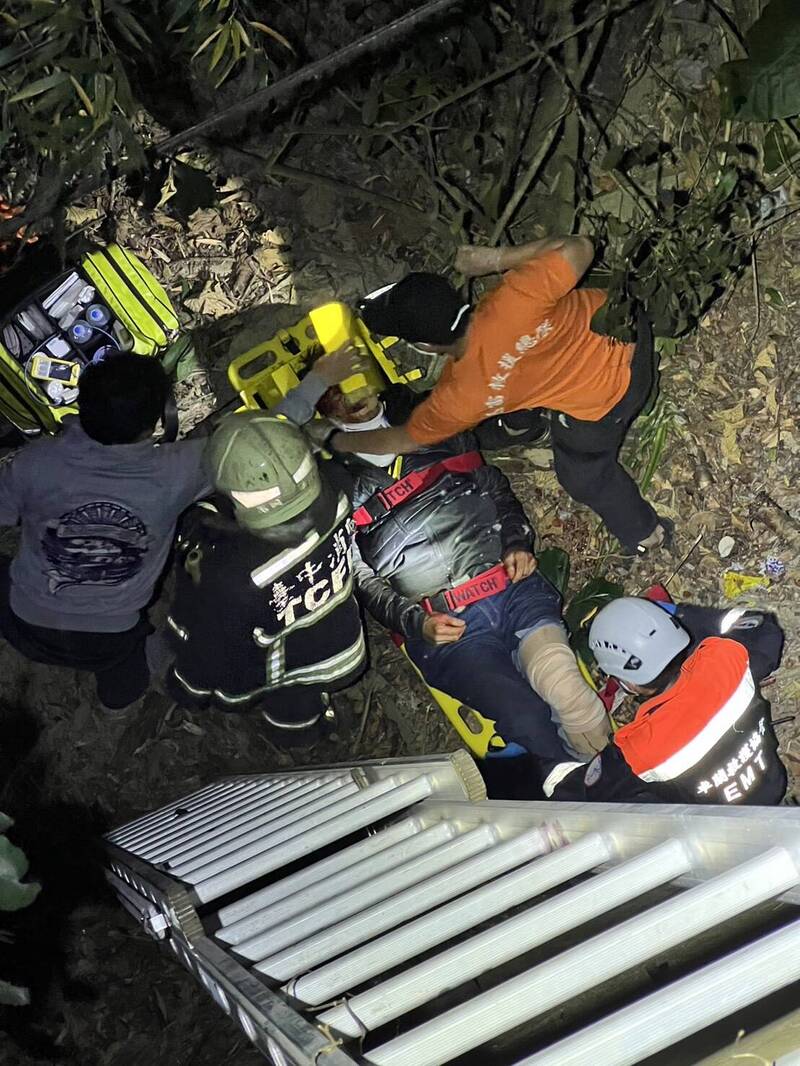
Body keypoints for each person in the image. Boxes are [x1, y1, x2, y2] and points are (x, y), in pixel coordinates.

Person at [316, 381, 610, 761]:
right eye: (338, 389)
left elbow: (491, 483)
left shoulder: (429, 418)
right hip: (444, 626)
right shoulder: (329, 485)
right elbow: (361, 580)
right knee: (526, 719)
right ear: (326, 407)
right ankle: (584, 793)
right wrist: (416, 624)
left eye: (356, 374)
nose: (355, 391)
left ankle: (617, 774)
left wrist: (517, 542)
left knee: (567, 690)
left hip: (509, 585)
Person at [327, 237, 670, 556]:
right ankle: (529, 423)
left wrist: (334, 440)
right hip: (627, 324)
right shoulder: (515, 295)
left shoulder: (460, 396)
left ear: (426, 347)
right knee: (523, 394)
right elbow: (582, 246)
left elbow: (400, 440)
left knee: (582, 475)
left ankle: (645, 532)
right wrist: (496, 259)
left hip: (610, 399)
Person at [0, 353, 213, 713]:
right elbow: (258, 440)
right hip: (109, 640)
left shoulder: (35, 461)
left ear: (82, 408)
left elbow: (4, 514)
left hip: (22, 625)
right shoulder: (181, 469)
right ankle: (118, 702)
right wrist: (315, 382)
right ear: (155, 422)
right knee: (124, 679)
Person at [165, 411, 366, 747]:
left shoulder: (233, 577)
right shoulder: (339, 483)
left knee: (288, 701)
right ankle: (307, 737)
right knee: (302, 709)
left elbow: (212, 646)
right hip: (340, 636)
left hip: (285, 667)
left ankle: (293, 740)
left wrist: (188, 688)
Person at [540, 597, 787, 805]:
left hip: (727, 821)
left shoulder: (637, 748)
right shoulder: (726, 659)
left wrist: (552, 773)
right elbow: (762, 628)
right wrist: (678, 614)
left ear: (632, 684)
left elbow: (584, 789)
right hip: (770, 782)